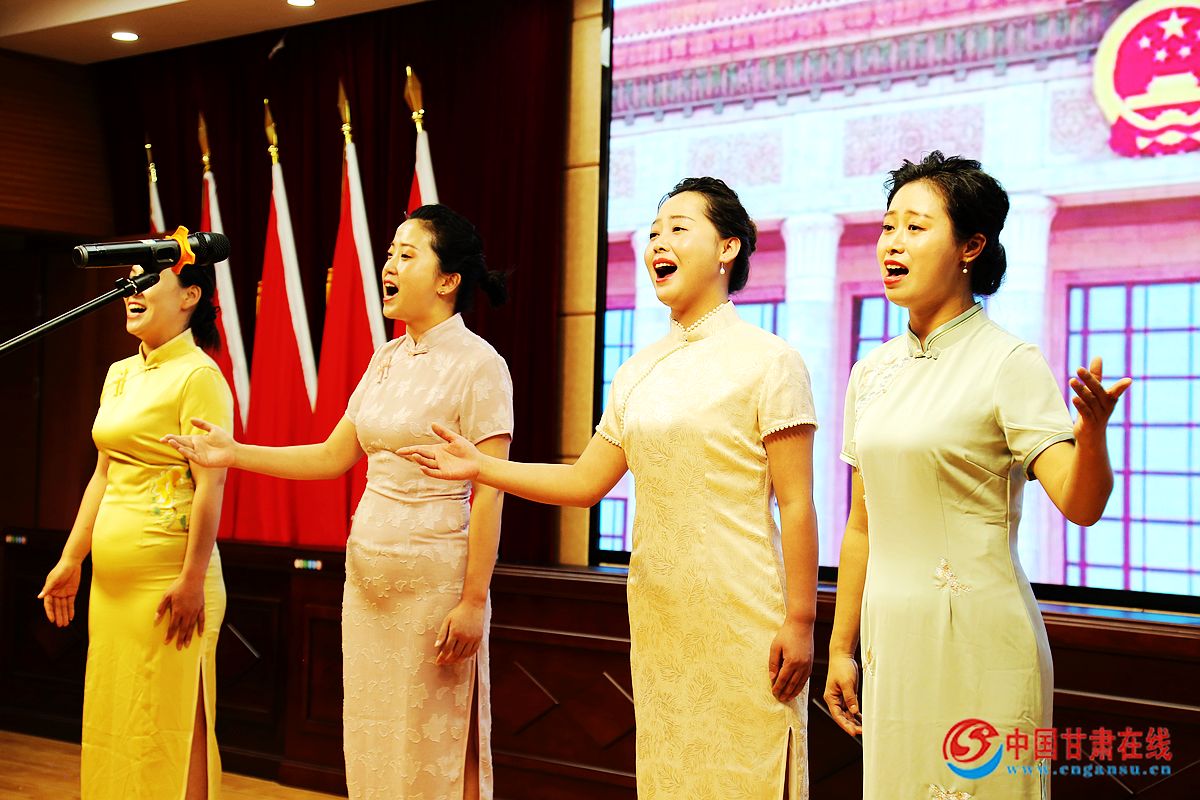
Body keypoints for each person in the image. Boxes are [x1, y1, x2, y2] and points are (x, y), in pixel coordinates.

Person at [400, 177, 819, 798]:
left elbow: (798, 503)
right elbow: (583, 482)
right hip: (660, 613)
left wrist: (802, 619)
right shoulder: (636, 371)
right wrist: (480, 467)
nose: (658, 244)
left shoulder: (771, 360)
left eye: (679, 229)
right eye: (653, 233)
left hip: (746, 612)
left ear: (728, 248)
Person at [164, 204, 511, 800]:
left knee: (437, 743)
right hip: (368, 578)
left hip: (434, 583)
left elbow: (491, 489)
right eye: (390, 254)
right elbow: (331, 456)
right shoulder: (385, 358)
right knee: (374, 735)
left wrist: (474, 600)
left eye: (407, 255)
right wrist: (234, 453)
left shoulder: (481, 364)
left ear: (448, 280)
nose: (389, 266)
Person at [823, 151, 1131, 799]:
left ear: (971, 246)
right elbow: (861, 527)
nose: (892, 243)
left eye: (915, 227)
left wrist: (1093, 435)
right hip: (891, 643)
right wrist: (841, 648)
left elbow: (1081, 504)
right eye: (888, 226)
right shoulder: (870, 373)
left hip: (983, 643)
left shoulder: (1008, 362)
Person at [39, 259, 232, 800]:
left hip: (169, 580)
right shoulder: (119, 372)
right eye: (129, 279)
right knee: (116, 718)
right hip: (112, 586)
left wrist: (192, 578)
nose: (131, 289)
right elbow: (103, 474)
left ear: (190, 296)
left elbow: (212, 483)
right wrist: (72, 558)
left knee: (170, 721)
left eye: (148, 279)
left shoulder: (199, 375)